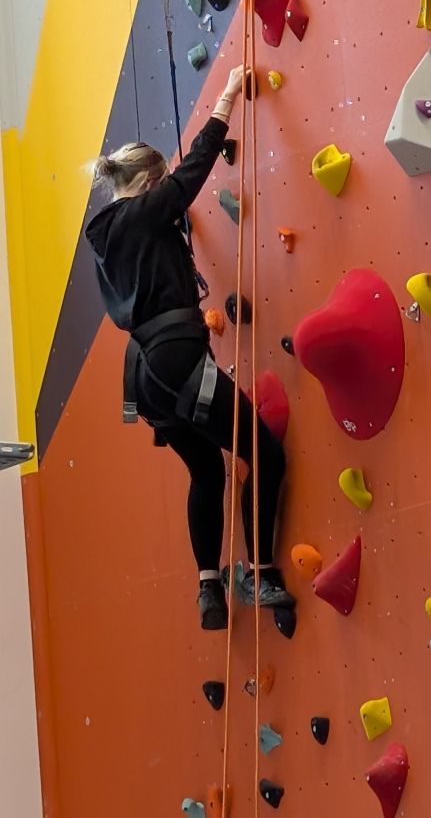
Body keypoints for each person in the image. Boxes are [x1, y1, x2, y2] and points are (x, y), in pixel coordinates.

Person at [87, 65, 292, 631]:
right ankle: (260, 571)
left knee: (206, 470)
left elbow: (165, 240)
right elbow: (195, 171)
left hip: (147, 378)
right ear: (151, 182)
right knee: (264, 454)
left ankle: (208, 586)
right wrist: (225, 95)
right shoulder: (145, 211)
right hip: (178, 357)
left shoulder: (111, 236)